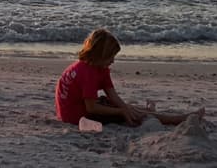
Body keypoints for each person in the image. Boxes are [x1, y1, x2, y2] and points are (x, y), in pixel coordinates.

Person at [55, 28, 204, 127]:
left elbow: (113, 96)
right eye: (110, 57)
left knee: (128, 108)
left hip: (82, 105)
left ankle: (150, 112)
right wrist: (122, 112)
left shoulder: (100, 67)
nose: (113, 61)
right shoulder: (87, 72)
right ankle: (175, 119)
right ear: (100, 56)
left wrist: (125, 108)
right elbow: (91, 107)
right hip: (76, 116)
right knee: (129, 113)